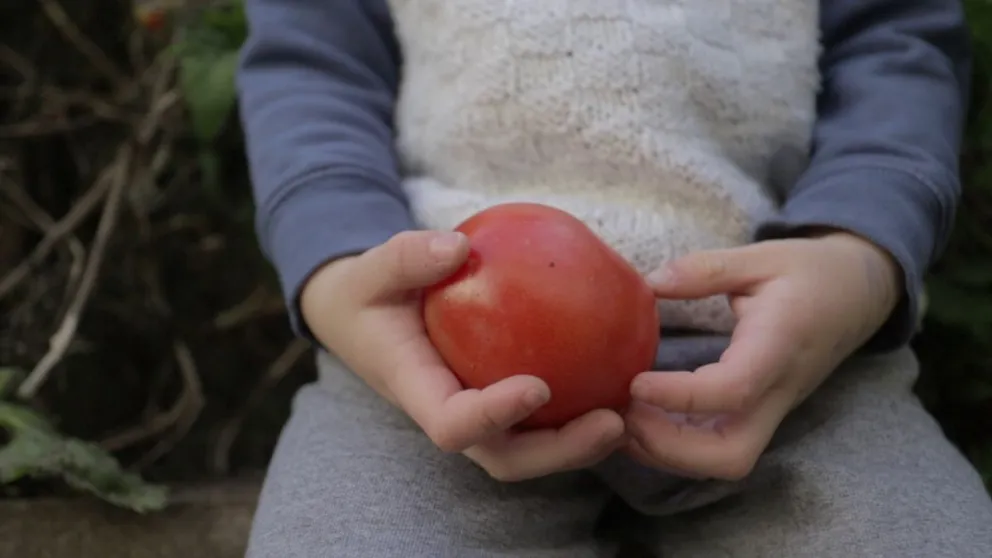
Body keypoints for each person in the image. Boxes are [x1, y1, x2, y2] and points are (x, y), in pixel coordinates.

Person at [236, 0, 992, 556]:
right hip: (429, 362)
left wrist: (856, 253)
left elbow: (897, 48)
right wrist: (341, 269)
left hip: (788, 360)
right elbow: (313, 66)